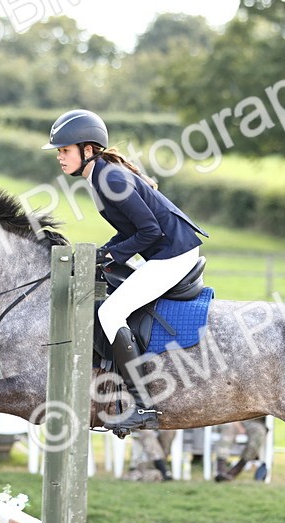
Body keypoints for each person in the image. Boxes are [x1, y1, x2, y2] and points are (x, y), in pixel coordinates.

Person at [43, 109, 208, 434]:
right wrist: (103, 252)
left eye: (65, 150)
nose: (60, 157)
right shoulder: (100, 176)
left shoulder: (111, 179)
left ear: (87, 149)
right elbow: (130, 230)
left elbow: (149, 231)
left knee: (110, 312)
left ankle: (142, 405)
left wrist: (111, 255)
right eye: (59, 151)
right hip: (164, 252)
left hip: (173, 255)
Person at [214, 417, 268, 482]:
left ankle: (234, 471)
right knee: (228, 427)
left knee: (259, 432)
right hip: (231, 418)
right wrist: (237, 424)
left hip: (253, 421)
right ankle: (220, 470)